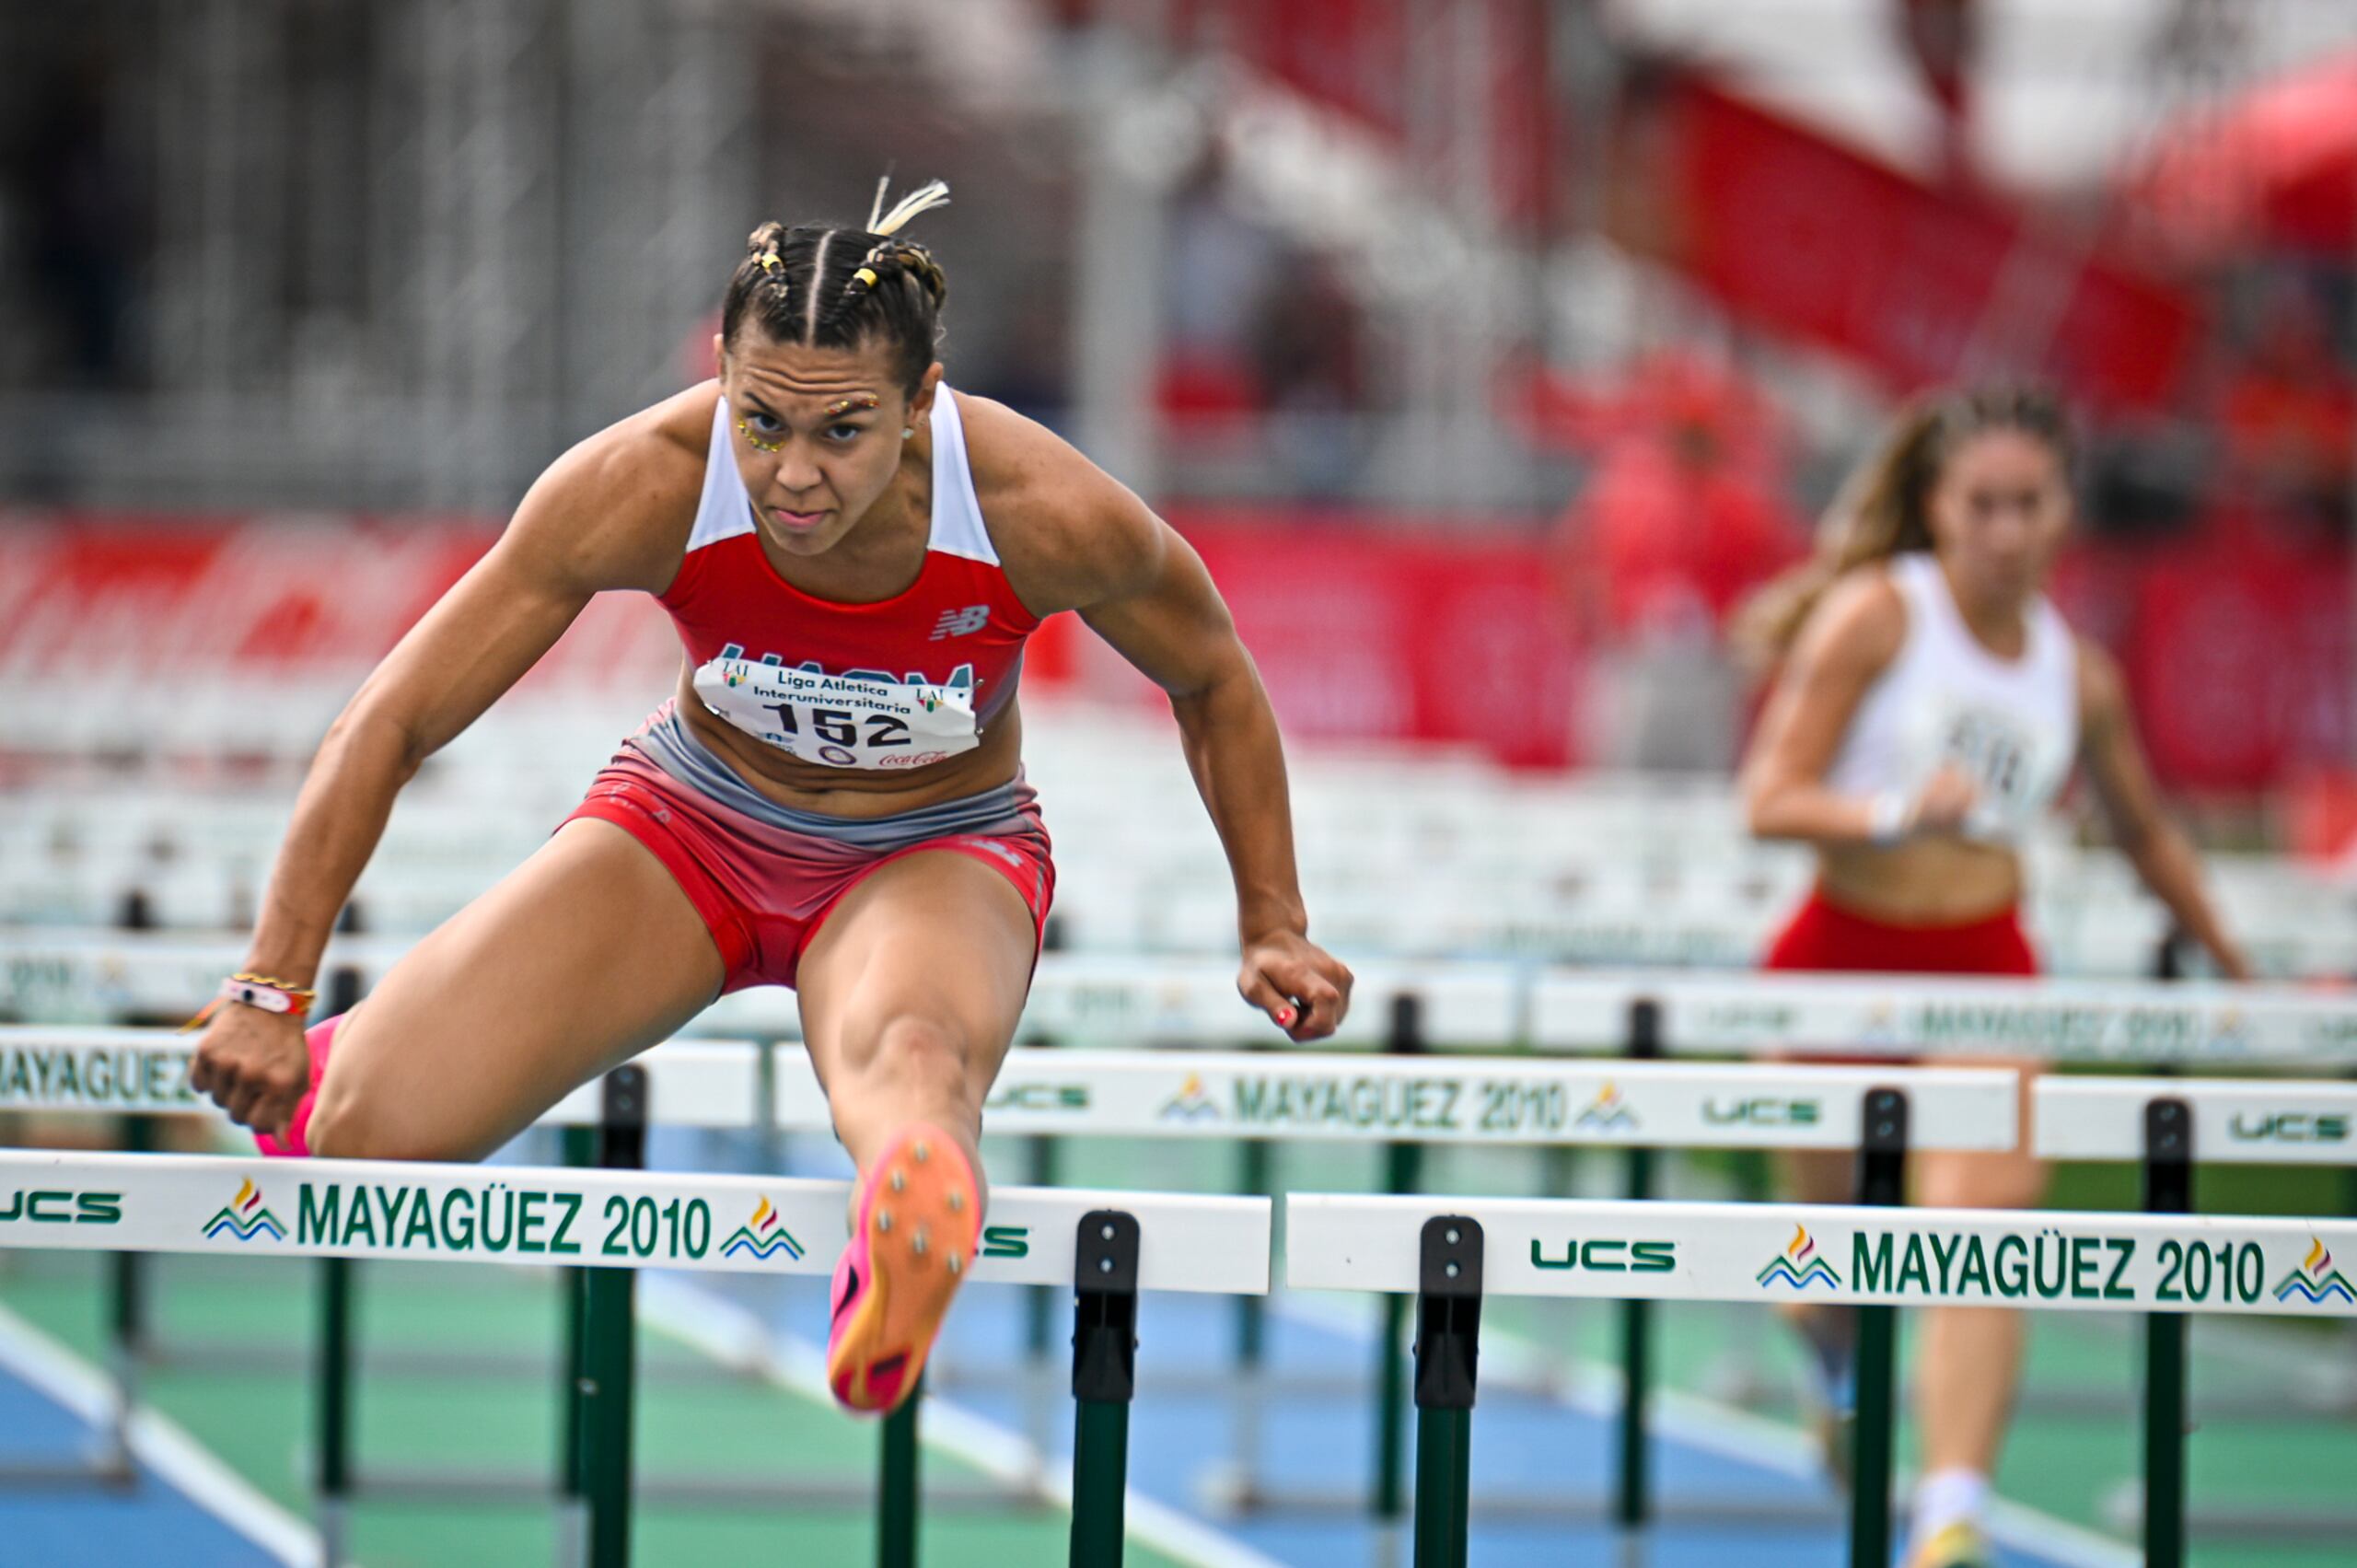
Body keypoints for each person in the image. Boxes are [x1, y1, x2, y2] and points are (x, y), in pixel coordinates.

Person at [187, 180, 1354, 1416]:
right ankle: (353, 1060)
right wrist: (270, 982)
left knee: (912, 1058)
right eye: (761, 423)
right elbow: (393, 717)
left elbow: (1213, 674)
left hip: (931, 848)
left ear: (922, 403)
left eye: (841, 431)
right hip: (689, 830)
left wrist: (1272, 916)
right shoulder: (642, 482)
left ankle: (906, 1233)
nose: (791, 476)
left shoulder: (1039, 510)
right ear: (722, 377)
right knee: (365, 1134)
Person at [1736, 385, 2248, 1568]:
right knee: (1840, 1269)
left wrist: (2239, 970)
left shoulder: (2080, 676)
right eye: (1983, 505)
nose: (2007, 530)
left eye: (2030, 503)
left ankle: (1950, 1509)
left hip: (1983, 965)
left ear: (2065, 508)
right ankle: (1833, 1355)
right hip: (1837, 961)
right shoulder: (1876, 616)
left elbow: (2150, 840)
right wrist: (1892, 810)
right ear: (1937, 506)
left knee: (1976, 1226)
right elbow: (1766, 798)